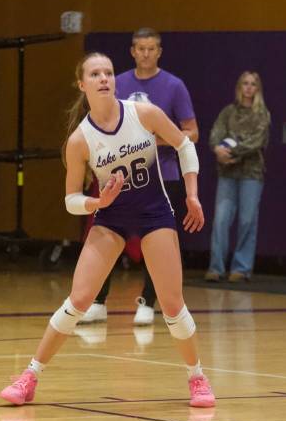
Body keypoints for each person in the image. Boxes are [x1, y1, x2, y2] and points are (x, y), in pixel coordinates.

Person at [0, 52, 215, 408]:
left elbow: (184, 144)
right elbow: (70, 199)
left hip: (154, 213)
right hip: (111, 217)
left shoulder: (142, 113)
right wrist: (97, 204)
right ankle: (29, 377)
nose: (104, 78)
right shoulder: (79, 140)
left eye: (109, 73)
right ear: (82, 84)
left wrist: (192, 195)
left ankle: (198, 378)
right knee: (79, 299)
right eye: (95, 74)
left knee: (173, 304)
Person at [80, 27, 198, 326]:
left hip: (163, 175)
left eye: (151, 48)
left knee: (156, 239)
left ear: (159, 51)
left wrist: (150, 139)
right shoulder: (114, 82)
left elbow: (191, 133)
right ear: (132, 51)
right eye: (140, 48)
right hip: (117, 177)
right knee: (106, 234)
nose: (146, 53)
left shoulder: (174, 85)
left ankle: (148, 300)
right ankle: (97, 300)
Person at [205, 71, 271, 282]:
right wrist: (218, 150)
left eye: (253, 84)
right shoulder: (228, 112)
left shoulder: (262, 114)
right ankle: (216, 268)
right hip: (227, 172)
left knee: (247, 221)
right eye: (245, 83)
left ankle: (241, 268)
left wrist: (231, 152)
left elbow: (256, 142)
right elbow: (215, 134)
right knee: (221, 220)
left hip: (251, 173)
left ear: (258, 88)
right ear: (239, 87)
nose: (249, 87)